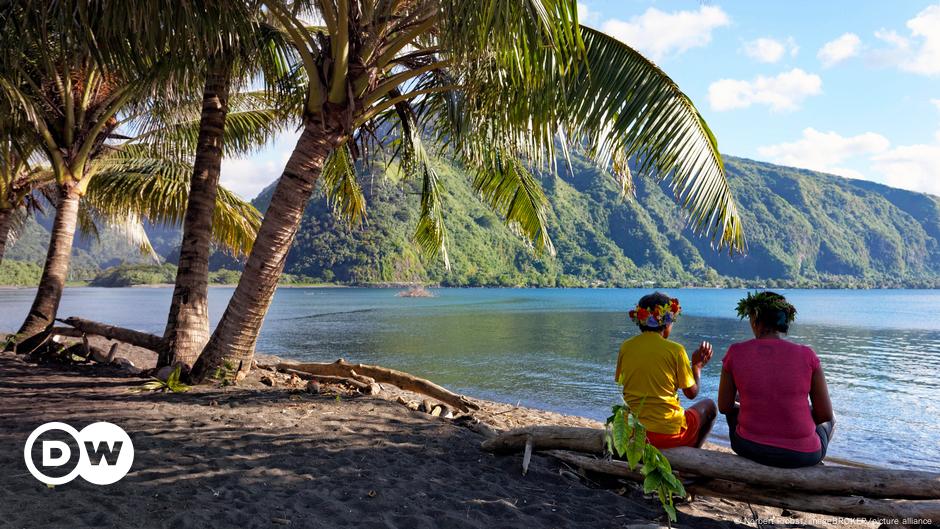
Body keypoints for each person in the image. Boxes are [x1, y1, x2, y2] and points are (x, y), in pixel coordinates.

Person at [718, 291, 835, 468]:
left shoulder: (735, 352)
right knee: (831, 419)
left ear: (755, 318)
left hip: (748, 447)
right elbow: (825, 414)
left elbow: (725, 406)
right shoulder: (807, 355)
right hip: (802, 455)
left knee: (735, 407)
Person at [615, 292, 717, 449]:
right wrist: (696, 367)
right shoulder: (676, 350)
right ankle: (694, 454)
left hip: (632, 432)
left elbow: (624, 384)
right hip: (668, 435)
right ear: (667, 322)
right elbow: (691, 394)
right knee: (710, 406)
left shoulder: (626, 347)